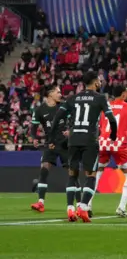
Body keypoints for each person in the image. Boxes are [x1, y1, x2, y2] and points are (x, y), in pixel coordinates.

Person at [50, 71, 118, 223]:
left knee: (72, 174)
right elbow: (112, 120)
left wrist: (51, 137)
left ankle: (70, 209)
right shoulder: (100, 98)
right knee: (91, 175)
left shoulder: (72, 98)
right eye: (99, 81)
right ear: (95, 83)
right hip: (89, 140)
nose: (100, 83)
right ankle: (83, 206)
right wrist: (113, 136)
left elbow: (57, 119)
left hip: (73, 140)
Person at [91, 86, 127, 218]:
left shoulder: (105, 108)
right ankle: (121, 207)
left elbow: (101, 127)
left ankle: (87, 204)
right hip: (118, 143)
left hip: (103, 142)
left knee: (98, 172)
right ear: (124, 94)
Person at [29, 85, 78, 213]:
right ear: (50, 94)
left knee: (72, 173)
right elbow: (33, 127)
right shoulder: (39, 110)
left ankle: (80, 204)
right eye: (58, 92)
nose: (60, 94)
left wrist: (70, 130)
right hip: (50, 144)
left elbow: (74, 119)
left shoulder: (64, 106)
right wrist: (34, 138)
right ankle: (40, 202)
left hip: (64, 144)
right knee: (44, 169)